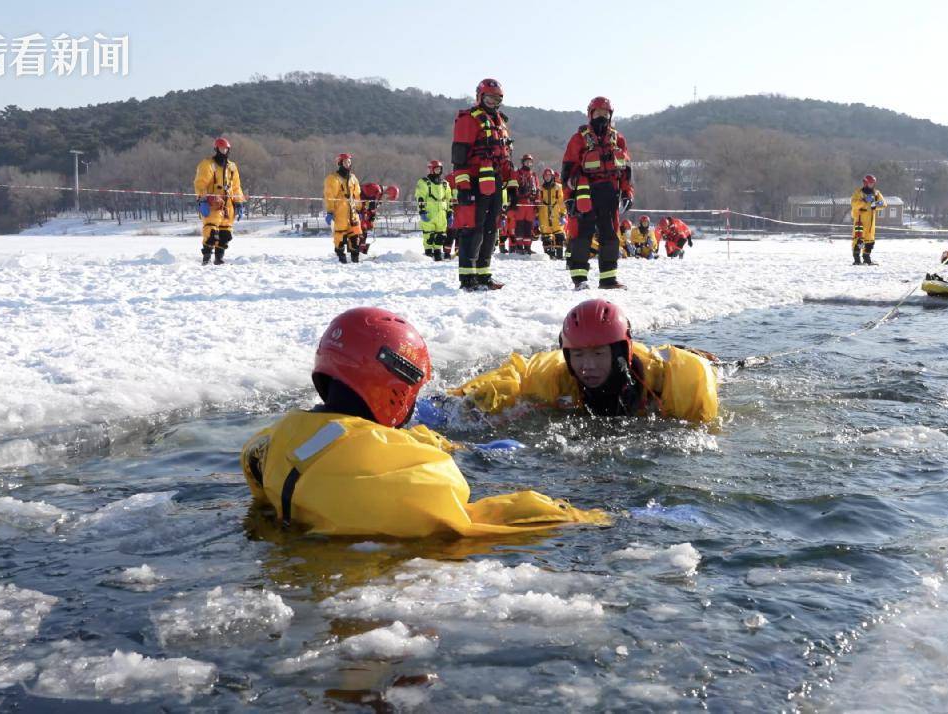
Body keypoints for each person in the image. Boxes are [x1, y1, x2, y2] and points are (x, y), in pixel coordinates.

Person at [240, 307, 609, 538]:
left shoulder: (273, 443)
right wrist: (589, 516)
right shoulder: (421, 478)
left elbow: (352, 440)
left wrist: (448, 443)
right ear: (394, 385)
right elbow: (471, 518)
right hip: (370, 591)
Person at [448, 299, 718, 422]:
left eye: (599, 354)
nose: (587, 366)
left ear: (621, 352)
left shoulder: (674, 379)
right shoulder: (557, 374)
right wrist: (464, 398)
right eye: (577, 355)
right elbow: (515, 375)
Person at [562, 96, 634, 290]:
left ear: (610, 115)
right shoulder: (578, 139)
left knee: (610, 235)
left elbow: (626, 171)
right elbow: (567, 171)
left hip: (610, 192)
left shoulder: (618, 139)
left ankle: (608, 279)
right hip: (585, 193)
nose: (602, 117)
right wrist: (568, 198)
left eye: (605, 113)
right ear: (590, 114)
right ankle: (579, 279)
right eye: (598, 113)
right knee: (582, 235)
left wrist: (628, 193)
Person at [451, 78, 513, 290]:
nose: (493, 102)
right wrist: (464, 187)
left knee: (491, 229)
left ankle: (484, 275)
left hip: (494, 182)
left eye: (497, 99)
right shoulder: (469, 119)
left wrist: (511, 186)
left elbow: (505, 158)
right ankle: (468, 278)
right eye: (489, 97)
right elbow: (459, 159)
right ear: (480, 97)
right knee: (472, 229)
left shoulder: (500, 121)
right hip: (475, 182)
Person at [193, 137, 245, 265]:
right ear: (216, 149)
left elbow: (236, 186)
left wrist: (239, 202)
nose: (224, 151)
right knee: (211, 232)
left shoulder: (232, 167)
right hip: (212, 203)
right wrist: (202, 199)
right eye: (222, 148)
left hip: (228, 205)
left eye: (226, 149)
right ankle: (206, 259)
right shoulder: (208, 164)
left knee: (225, 234)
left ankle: (219, 259)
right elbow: (200, 183)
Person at [323, 153, 363, 264]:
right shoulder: (333, 179)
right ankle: (341, 261)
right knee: (340, 238)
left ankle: (356, 261)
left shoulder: (353, 178)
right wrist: (330, 212)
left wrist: (359, 209)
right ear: (340, 163)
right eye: (346, 162)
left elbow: (357, 195)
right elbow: (329, 196)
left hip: (353, 213)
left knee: (356, 238)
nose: (348, 164)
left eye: (349, 161)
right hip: (340, 213)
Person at [416, 161, 452, 261]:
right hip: (429, 214)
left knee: (441, 236)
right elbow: (420, 197)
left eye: (440, 169)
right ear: (431, 169)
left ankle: (438, 253)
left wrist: (450, 213)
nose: (438, 171)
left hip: (442, 214)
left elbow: (449, 199)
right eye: (436, 169)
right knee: (429, 235)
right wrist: (422, 211)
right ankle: (428, 253)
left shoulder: (445, 184)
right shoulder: (424, 182)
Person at [505, 153, 540, 255]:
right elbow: (512, 187)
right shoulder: (518, 173)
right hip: (520, 202)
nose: (528, 163)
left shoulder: (534, 175)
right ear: (523, 162)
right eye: (526, 161)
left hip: (530, 204)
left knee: (529, 226)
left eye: (530, 162)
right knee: (519, 225)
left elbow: (537, 190)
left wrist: (537, 204)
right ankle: (519, 246)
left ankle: (528, 247)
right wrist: (513, 201)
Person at [851, 174, 885, 265]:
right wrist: (865, 201)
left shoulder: (876, 193)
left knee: (870, 242)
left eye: (873, 183)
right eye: (870, 183)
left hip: (871, 223)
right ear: (866, 183)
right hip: (860, 221)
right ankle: (857, 259)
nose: (872, 185)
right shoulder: (858, 193)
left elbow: (883, 204)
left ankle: (867, 258)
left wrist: (875, 205)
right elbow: (854, 204)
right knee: (859, 240)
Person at [536, 168, 567, 259]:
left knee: (559, 235)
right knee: (546, 236)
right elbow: (538, 202)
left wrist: (563, 214)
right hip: (544, 214)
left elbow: (561, 201)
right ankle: (549, 255)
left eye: (549, 175)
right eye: (546, 176)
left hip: (556, 213)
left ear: (552, 176)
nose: (547, 177)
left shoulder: (558, 187)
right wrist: (536, 217)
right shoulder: (541, 188)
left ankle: (559, 255)